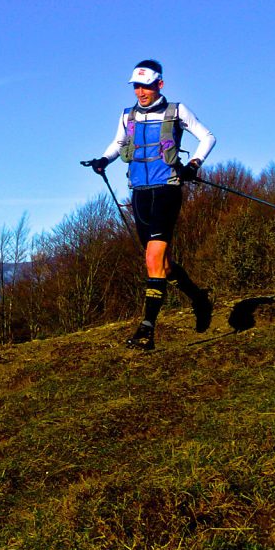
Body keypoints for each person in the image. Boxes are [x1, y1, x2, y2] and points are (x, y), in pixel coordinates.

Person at [85, 60, 216, 350]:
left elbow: (208, 136)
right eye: (136, 86)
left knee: (153, 259)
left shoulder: (177, 111)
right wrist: (102, 160)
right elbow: (119, 144)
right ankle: (198, 298)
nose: (140, 92)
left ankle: (147, 330)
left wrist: (194, 163)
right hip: (139, 193)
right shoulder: (127, 115)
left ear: (160, 84)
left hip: (167, 189)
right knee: (163, 265)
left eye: (145, 86)